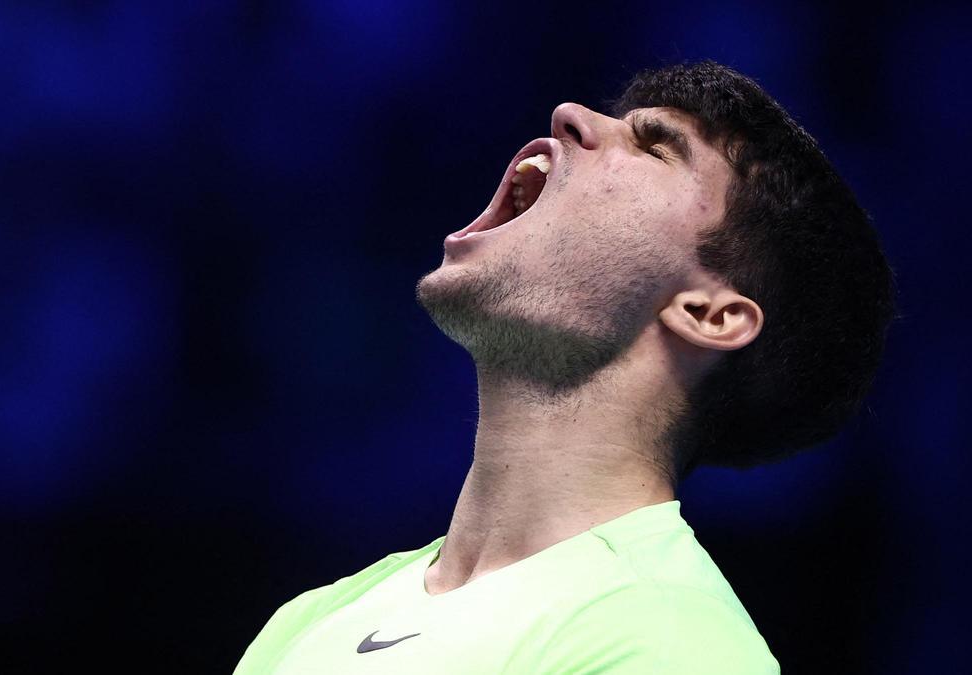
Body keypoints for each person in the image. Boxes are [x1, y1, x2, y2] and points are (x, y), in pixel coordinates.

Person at [233, 60, 895, 674]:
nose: (569, 115)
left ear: (708, 313)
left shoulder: (672, 641)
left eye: (654, 147)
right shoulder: (312, 618)